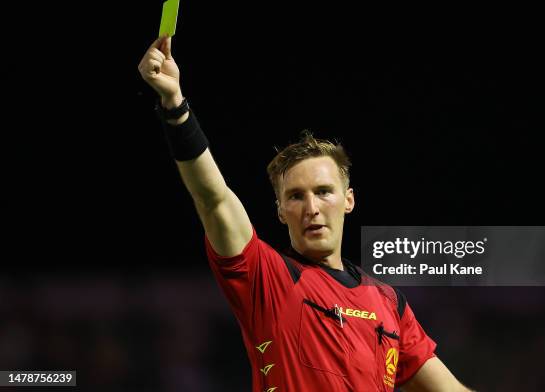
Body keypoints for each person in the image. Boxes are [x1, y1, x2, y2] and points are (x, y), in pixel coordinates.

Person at [138, 36, 474, 391]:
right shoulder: (267, 279)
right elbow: (213, 198)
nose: (312, 208)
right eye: (296, 196)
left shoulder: (390, 304)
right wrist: (175, 106)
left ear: (349, 200)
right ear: (281, 210)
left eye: (324, 192)